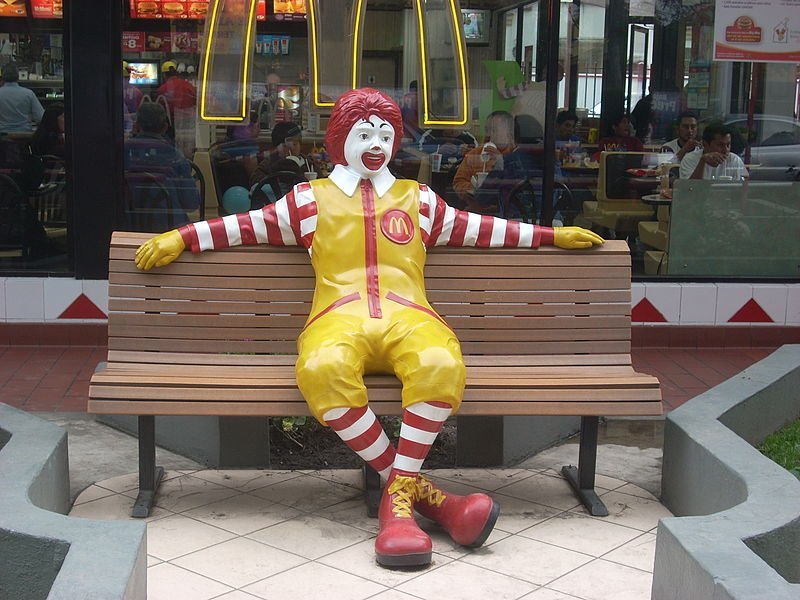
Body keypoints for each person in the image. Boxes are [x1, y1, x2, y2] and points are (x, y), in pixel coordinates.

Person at [134, 87, 604, 569]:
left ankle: (397, 504)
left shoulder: (418, 199)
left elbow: (485, 228)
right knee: (322, 367)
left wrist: (552, 236)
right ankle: (424, 500)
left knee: (440, 363)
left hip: (411, 316)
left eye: (384, 133)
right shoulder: (307, 202)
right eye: (364, 133)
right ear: (340, 140)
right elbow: (243, 226)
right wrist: (181, 236)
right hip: (338, 318)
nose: (376, 143)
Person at [123, 102, 200, 231]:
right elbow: (191, 203)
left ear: (136, 126)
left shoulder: (123, 152)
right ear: (165, 127)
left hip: (128, 227)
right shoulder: (176, 157)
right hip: (170, 230)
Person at [452, 110, 517, 213]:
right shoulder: (475, 154)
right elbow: (458, 183)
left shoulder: (515, 156)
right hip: (475, 213)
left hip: (504, 215)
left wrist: (501, 161)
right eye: (487, 130)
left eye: (494, 130)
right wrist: (473, 189)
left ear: (509, 133)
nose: (488, 134)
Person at [679, 121, 748, 180]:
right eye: (720, 145)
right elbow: (689, 188)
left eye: (728, 145)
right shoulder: (689, 159)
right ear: (705, 144)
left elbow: (744, 185)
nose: (726, 150)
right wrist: (702, 162)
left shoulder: (734, 160)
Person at [0, 63, 44, 133]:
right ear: (18, 76)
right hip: (24, 136)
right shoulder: (29, 94)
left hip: (2, 137)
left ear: (2, 77)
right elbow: (41, 118)